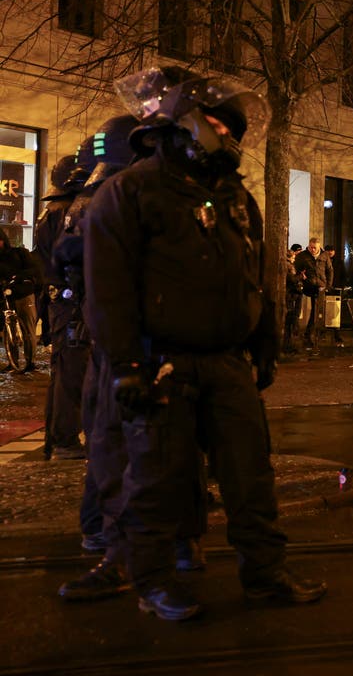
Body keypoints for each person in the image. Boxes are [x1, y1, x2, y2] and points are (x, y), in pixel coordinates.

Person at [83, 65, 324, 620]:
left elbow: (255, 275)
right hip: (161, 364)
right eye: (221, 123)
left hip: (226, 363)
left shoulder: (236, 196)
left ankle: (265, 573)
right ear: (186, 123)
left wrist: (264, 341)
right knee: (155, 481)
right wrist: (125, 367)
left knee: (251, 475)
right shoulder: (129, 193)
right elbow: (109, 292)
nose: (231, 137)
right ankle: (154, 583)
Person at [57, 109, 208, 602]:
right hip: (124, 342)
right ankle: (135, 547)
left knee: (133, 448)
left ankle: (134, 549)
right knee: (123, 447)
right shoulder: (122, 196)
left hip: (136, 343)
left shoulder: (129, 195)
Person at [34, 154, 90, 458]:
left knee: (62, 370)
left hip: (60, 302)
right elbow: (72, 261)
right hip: (71, 303)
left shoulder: (51, 211)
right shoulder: (68, 211)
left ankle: (56, 438)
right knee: (71, 371)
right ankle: (65, 440)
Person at [0, 228, 40, 373]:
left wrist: (18, 277)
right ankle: (12, 361)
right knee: (7, 330)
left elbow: (34, 269)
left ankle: (30, 362)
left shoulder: (20, 253)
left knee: (28, 328)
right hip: (6, 298)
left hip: (23, 294)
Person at [294, 237, 328, 347]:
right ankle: (309, 334)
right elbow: (296, 270)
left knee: (317, 311)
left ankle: (311, 334)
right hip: (308, 287)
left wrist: (328, 285)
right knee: (313, 311)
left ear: (319, 247)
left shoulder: (324, 255)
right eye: (311, 247)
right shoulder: (302, 256)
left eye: (315, 248)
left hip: (321, 286)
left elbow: (330, 270)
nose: (313, 250)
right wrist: (302, 278)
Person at [282, 245, 304, 354]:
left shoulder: (288, 265)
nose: (294, 259)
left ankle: (289, 345)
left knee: (290, 322)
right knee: (290, 322)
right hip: (290, 296)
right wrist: (300, 277)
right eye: (293, 257)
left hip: (290, 296)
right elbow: (292, 279)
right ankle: (289, 345)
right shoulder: (289, 266)